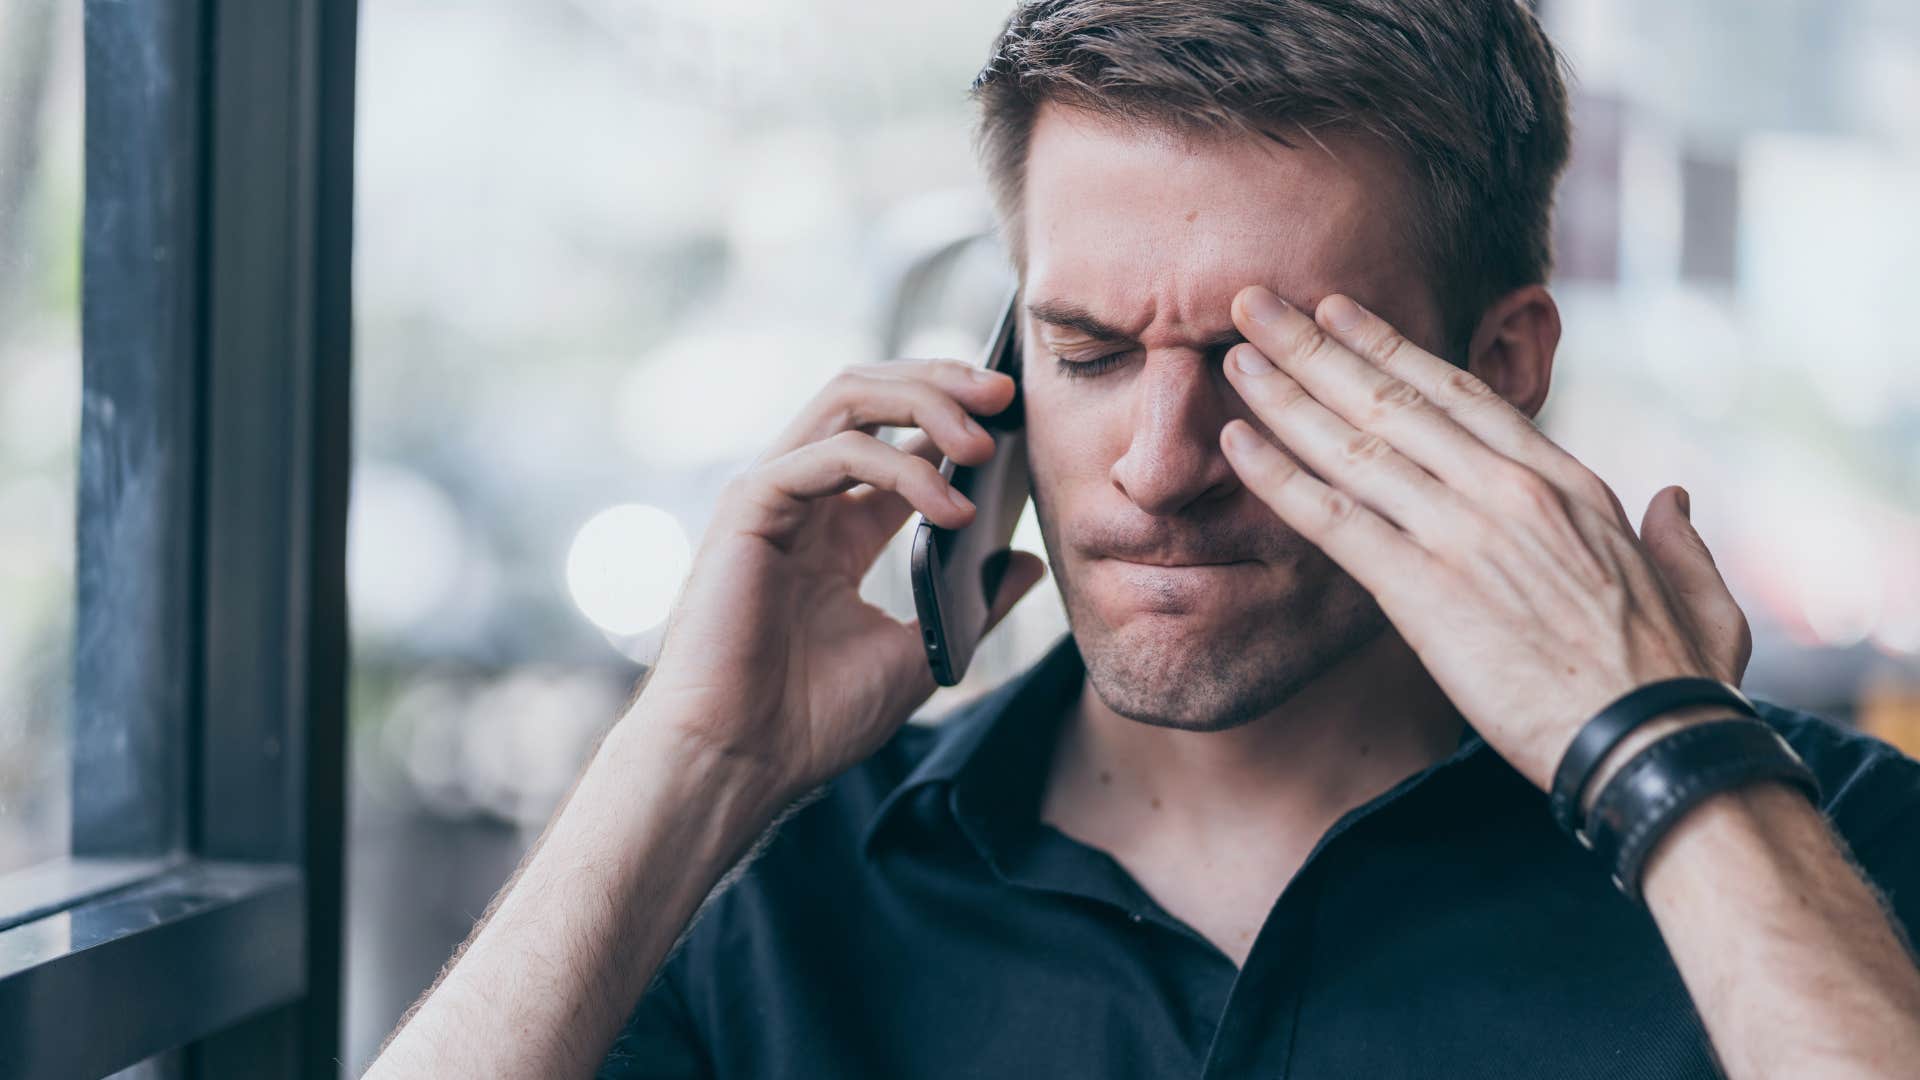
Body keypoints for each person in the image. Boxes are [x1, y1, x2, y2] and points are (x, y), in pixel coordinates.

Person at [365, 2, 1920, 1077]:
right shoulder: (782, 900)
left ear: (1499, 371)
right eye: (1091, 353)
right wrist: (685, 764)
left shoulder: (1832, 855)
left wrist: (1664, 766)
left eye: (1268, 366)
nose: (1159, 470)